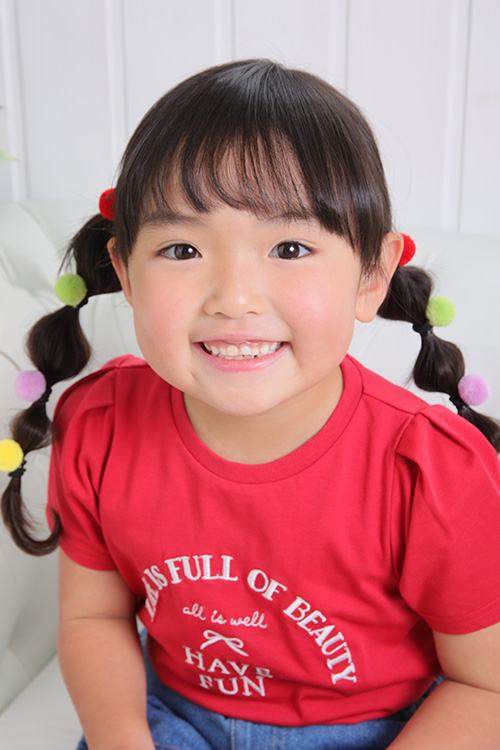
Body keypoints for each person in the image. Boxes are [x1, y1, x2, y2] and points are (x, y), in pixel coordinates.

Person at [1, 59, 500, 750]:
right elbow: (94, 619)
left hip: (378, 732)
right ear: (125, 273)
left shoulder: (432, 470)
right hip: (172, 719)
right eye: (181, 248)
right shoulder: (99, 423)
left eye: (290, 247)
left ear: (372, 276)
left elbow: (485, 685)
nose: (234, 297)